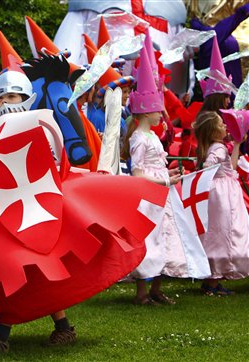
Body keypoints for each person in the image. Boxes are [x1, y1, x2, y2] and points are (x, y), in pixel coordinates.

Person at [0, 69, 76, 352]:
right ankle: (62, 327)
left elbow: (44, 170)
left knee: (17, 271)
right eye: (3, 97)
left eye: (14, 95)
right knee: (29, 274)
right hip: (4, 212)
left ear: (27, 98)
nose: (8, 102)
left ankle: (1, 335)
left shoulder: (39, 128)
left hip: (30, 210)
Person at [121, 46, 210, 305]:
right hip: (150, 197)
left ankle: (157, 287)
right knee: (150, 238)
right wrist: (164, 179)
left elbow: (153, 165)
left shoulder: (151, 136)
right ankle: (141, 292)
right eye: (158, 110)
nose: (162, 115)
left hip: (163, 194)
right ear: (146, 112)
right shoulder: (138, 138)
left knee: (167, 236)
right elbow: (138, 173)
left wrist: (167, 172)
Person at [193, 111, 249, 295]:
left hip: (224, 190)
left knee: (219, 232)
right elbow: (210, 165)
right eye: (221, 124)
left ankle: (214, 279)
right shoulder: (218, 148)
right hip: (223, 194)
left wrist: (238, 144)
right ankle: (212, 280)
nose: (225, 126)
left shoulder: (218, 146)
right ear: (213, 131)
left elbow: (231, 167)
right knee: (224, 232)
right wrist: (206, 167)